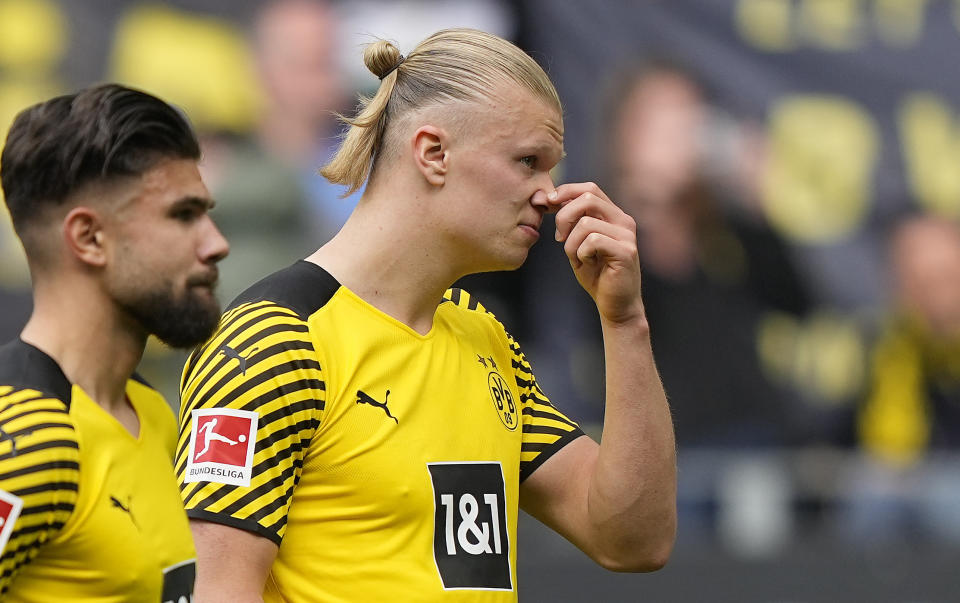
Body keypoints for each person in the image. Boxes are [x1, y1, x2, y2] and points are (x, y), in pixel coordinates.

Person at [176, 28, 676, 601]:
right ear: (433, 153)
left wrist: (625, 323)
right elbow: (217, 589)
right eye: (528, 161)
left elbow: (633, 540)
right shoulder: (273, 340)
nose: (550, 193)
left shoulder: (481, 334)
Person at [0, 83, 229, 600]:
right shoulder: (24, 437)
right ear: (89, 238)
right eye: (183, 215)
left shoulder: (150, 411)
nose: (216, 243)